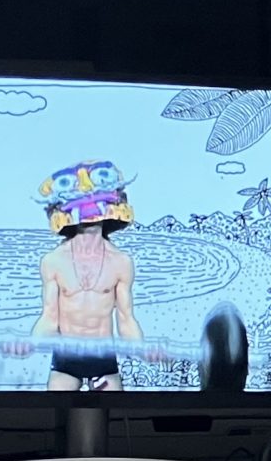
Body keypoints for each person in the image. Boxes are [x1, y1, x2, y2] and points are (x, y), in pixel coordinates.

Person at [9, 159, 165, 389]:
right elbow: (50, 318)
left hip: (103, 359)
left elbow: (126, 319)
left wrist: (143, 350)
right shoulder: (53, 261)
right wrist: (29, 344)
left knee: (114, 410)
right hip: (66, 358)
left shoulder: (121, 262)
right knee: (55, 409)